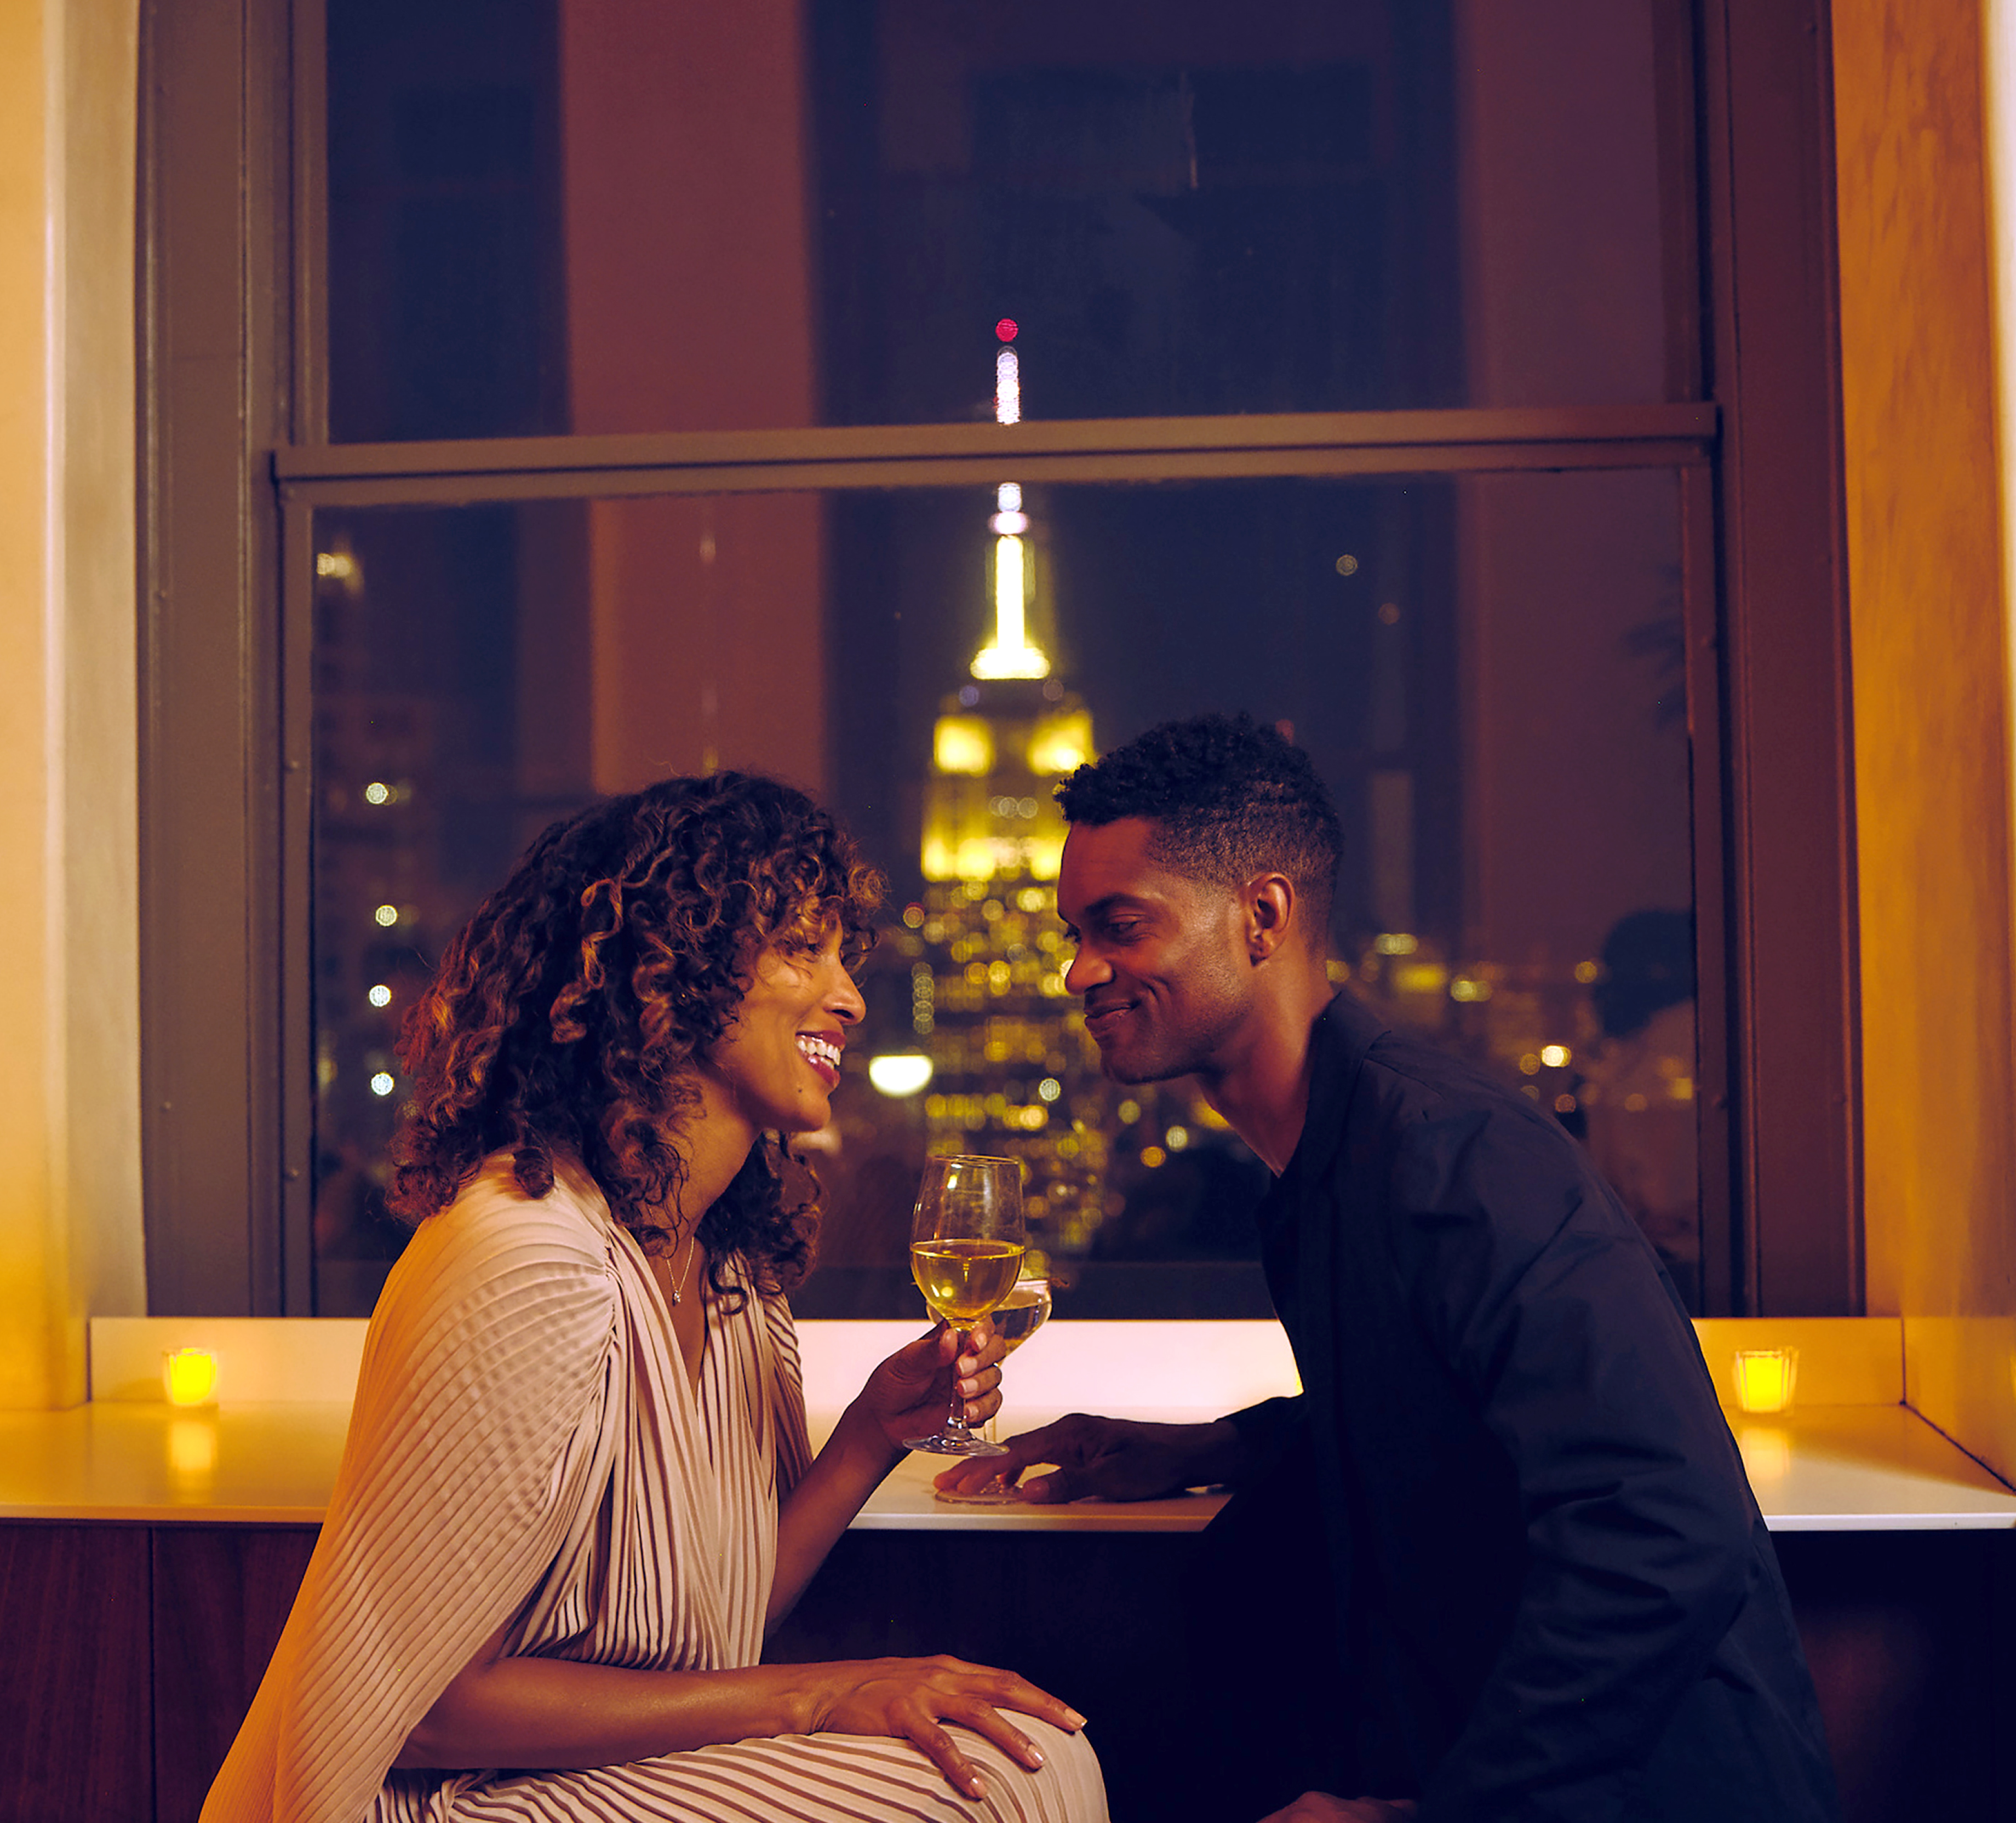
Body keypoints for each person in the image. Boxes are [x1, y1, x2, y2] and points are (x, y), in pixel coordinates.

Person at [937, 715, 1838, 1823]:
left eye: (1119, 927)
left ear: (1264, 916)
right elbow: (1442, 1415)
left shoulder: (1458, 1157)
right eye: (1075, 934)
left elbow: (1664, 1524)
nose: (1080, 970)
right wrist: (1211, 1447)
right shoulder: (1324, 1162)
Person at [204, 772, 1104, 1823]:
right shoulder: (528, 1255)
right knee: (987, 1793)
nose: (851, 998)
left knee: (1039, 1757)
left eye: (844, 957)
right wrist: (819, 1695)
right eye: (802, 948)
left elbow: (714, 1631)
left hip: (589, 1777)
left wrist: (870, 1434)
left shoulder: (730, 1277)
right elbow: (426, 1709)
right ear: (667, 974)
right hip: (438, 1798)